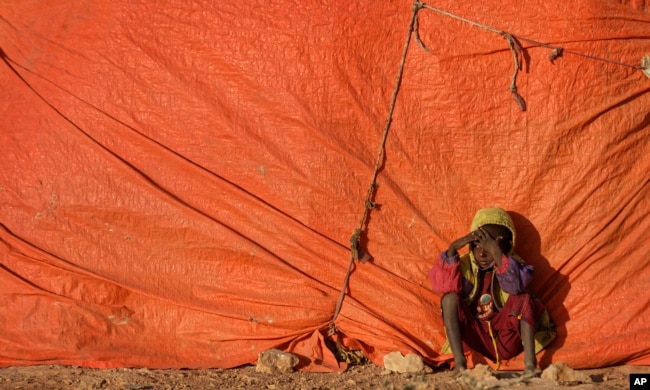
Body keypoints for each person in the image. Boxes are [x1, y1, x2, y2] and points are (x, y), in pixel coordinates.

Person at [428, 207, 555, 376]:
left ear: (505, 246)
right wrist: (452, 249)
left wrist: (497, 253)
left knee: (524, 298)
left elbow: (514, 286)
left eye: (490, 246)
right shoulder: (463, 264)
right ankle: (460, 363)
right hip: (474, 340)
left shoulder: (515, 264)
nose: (481, 252)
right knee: (449, 299)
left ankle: (530, 365)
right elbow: (442, 286)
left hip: (505, 339)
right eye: (477, 244)